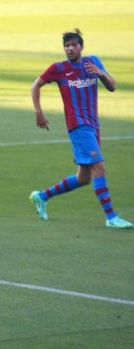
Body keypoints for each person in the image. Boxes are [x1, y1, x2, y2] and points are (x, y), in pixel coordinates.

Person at [30, 29, 132, 229]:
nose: (70, 48)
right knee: (99, 167)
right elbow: (35, 86)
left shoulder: (92, 62)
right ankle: (111, 217)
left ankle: (41, 196)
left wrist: (101, 73)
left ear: (81, 46)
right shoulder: (58, 68)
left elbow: (112, 86)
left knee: (84, 177)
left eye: (74, 45)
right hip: (78, 127)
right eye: (66, 46)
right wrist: (38, 112)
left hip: (94, 125)